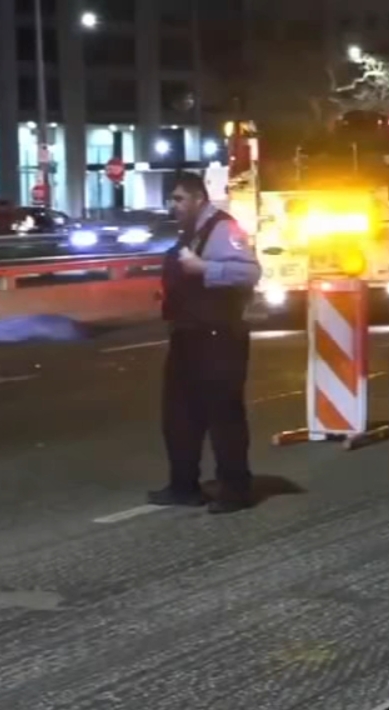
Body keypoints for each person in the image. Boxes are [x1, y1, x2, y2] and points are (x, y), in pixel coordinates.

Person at [147, 172, 262, 514]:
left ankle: (236, 489)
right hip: (187, 335)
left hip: (219, 337)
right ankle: (183, 486)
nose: (174, 205)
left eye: (180, 199)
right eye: (171, 199)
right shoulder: (191, 231)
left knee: (223, 415)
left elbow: (250, 272)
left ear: (199, 198)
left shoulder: (224, 229)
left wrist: (204, 269)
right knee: (179, 416)